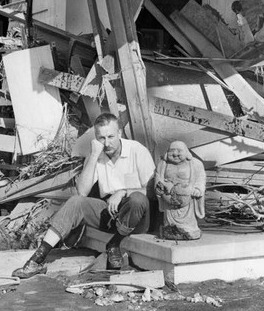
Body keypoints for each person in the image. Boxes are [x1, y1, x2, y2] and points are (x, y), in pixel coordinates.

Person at [12, 113, 156, 279]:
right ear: (96, 138)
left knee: (137, 199)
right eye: (101, 138)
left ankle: (114, 244)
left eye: (111, 137)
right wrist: (94, 156)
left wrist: (123, 191)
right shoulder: (98, 154)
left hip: (136, 217)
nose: (107, 143)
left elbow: (151, 193)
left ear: (120, 134)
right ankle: (37, 259)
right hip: (111, 212)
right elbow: (82, 191)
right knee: (76, 202)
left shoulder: (137, 150)